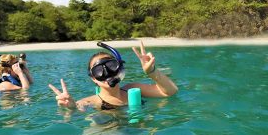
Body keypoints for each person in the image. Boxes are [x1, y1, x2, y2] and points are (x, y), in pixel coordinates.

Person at [48, 41, 178, 111]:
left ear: (119, 68)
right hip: (108, 133)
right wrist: (70, 108)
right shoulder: (90, 102)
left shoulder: (132, 89)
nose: (107, 73)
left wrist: (152, 71)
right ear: (94, 78)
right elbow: (77, 111)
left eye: (111, 66)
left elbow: (170, 92)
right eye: (99, 71)